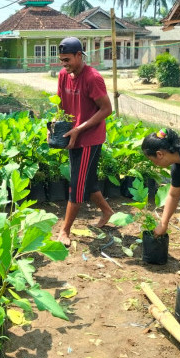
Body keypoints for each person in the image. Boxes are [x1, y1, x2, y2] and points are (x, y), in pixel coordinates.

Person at [55, 37, 115, 247]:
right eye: (62, 60)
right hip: (73, 135)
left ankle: (65, 230)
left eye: (68, 59)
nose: (64, 64)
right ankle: (107, 211)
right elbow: (60, 105)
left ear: (80, 55)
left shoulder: (93, 78)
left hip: (89, 138)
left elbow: (107, 109)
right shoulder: (64, 75)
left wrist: (78, 129)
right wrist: (55, 128)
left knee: (77, 185)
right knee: (86, 180)